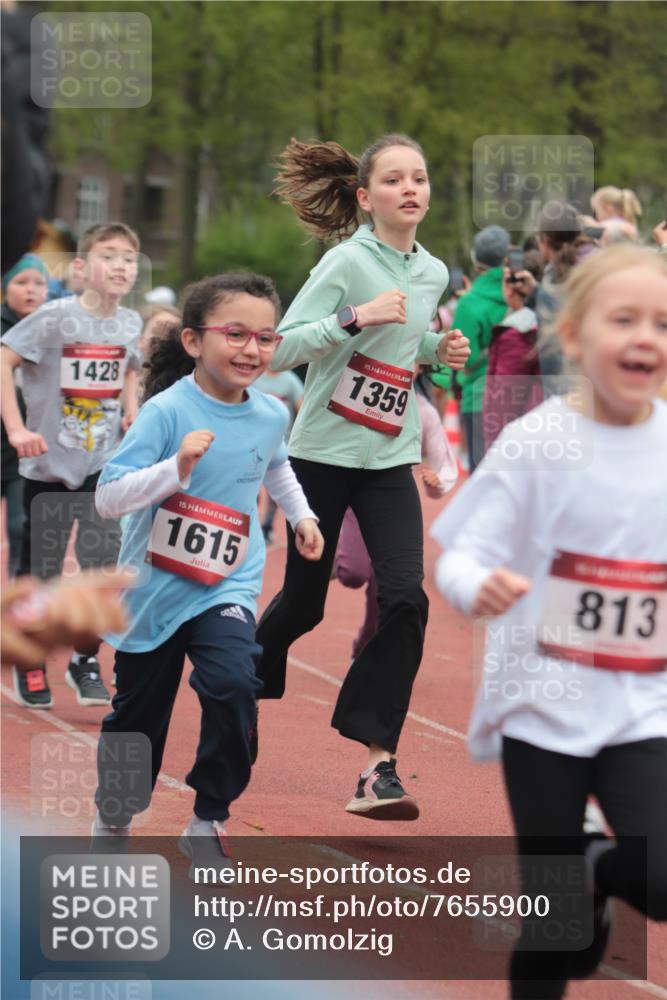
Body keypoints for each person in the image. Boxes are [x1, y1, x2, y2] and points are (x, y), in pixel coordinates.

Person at [431, 243, 667, 999]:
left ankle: (600, 865)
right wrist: (478, 587)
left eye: (661, 323)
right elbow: (458, 555)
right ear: (572, 338)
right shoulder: (538, 441)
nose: (644, 338)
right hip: (541, 705)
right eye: (622, 318)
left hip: (642, 706)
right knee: (555, 928)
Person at [253, 134, 470, 820]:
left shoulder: (433, 271)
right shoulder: (345, 262)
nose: (411, 189)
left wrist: (439, 349)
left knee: (406, 597)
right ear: (364, 197)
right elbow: (278, 348)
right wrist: (354, 317)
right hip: (320, 455)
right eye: (395, 179)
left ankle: (378, 766)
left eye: (420, 177)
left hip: (386, 459)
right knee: (305, 605)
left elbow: (404, 351)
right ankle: (241, 671)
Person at [92, 272, 324, 870]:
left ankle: (207, 817)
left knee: (234, 683)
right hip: (153, 590)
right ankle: (116, 812)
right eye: (237, 334)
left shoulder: (272, 412)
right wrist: (175, 467)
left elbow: (275, 467)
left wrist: (301, 517)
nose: (253, 350)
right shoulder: (166, 412)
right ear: (194, 341)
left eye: (266, 338)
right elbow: (109, 497)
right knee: (137, 715)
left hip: (227, 582)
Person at [0, 222, 142, 709]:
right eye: (109, 255)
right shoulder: (55, 317)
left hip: (101, 465)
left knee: (103, 565)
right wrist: (17, 429)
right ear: (81, 268)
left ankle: (84, 658)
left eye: (129, 257)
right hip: (47, 467)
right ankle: (32, 658)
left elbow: (127, 366)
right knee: (40, 570)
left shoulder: (129, 323)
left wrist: (132, 407)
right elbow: (3, 359)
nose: (121, 265)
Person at [334, 369, 458, 662]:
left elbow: (444, 464)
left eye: (415, 358)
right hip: (352, 493)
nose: (403, 362)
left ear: (425, 367)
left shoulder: (424, 411)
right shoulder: (358, 386)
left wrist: (437, 482)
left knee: (389, 588)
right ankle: (337, 555)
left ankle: (365, 647)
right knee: (353, 573)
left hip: (392, 505)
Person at [1, 254, 49, 577]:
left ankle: (16, 608)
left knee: (21, 528)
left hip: (24, 452)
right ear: (5, 288)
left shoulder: (52, 331)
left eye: (39, 283)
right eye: (21, 282)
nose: (31, 290)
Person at [454, 225, 510, 472]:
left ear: (477, 264)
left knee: (484, 481)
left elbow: (463, 358)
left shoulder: (469, 303)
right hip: (522, 396)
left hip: (480, 397)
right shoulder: (523, 293)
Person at [253, 366, 304, 543]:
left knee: (277, 489)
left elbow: (302, 408)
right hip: (253, 442)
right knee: (252, 489)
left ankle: (267, 527)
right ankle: (249, 525)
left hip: (281, 444)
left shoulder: (289, 380)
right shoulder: (255, 376)